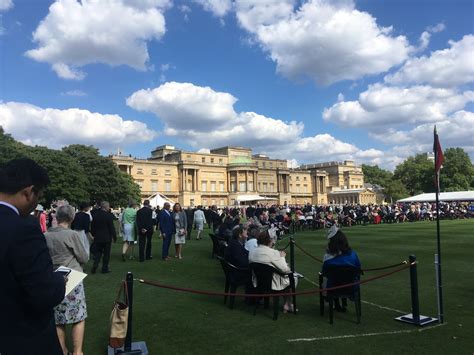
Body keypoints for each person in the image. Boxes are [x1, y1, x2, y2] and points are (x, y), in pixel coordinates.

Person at [0, 158, 66, 354]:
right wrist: (59, 281)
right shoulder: (23, 229)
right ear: (28, 192)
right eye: (39, 196)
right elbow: (44, 293)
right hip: (20, 336)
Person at [45, 205, 89, 355]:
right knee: (78, 316)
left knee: (58, 318)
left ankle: (62, 350)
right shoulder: (72, 235)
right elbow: (84, 257)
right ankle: (77, 352)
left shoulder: (46, 235)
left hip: (53, 278)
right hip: (72, 277)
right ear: (71, 218)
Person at [249, 231, 297, 313]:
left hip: (258, 282)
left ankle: (287, 304)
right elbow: (285, 269)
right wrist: (282, 257)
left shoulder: (252, 252)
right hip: (272, 283)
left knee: (287, 277)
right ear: (269, 241)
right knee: (293, 277)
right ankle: (287, 304)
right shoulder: (273, 253)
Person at [322, 225, 361, 312]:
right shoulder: (353, 255)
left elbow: (324, 272)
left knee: (328, 279)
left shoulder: (328, 258)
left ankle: (333, 302)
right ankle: (343, 304)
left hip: (334, 287)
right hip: (351, 287)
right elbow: (358, 268)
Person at [90, 201, 116, 273]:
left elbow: (93, 226)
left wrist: (93, 234)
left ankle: (95, 265)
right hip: (106, 237)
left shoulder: (95, 215)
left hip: (98, 237)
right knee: (106, 254)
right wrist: (114, 236)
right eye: (108, 206)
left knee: (98, 252)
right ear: (106, 207)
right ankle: (105, 268)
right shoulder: (108, 216)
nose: (109, 208)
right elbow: (111, 227)